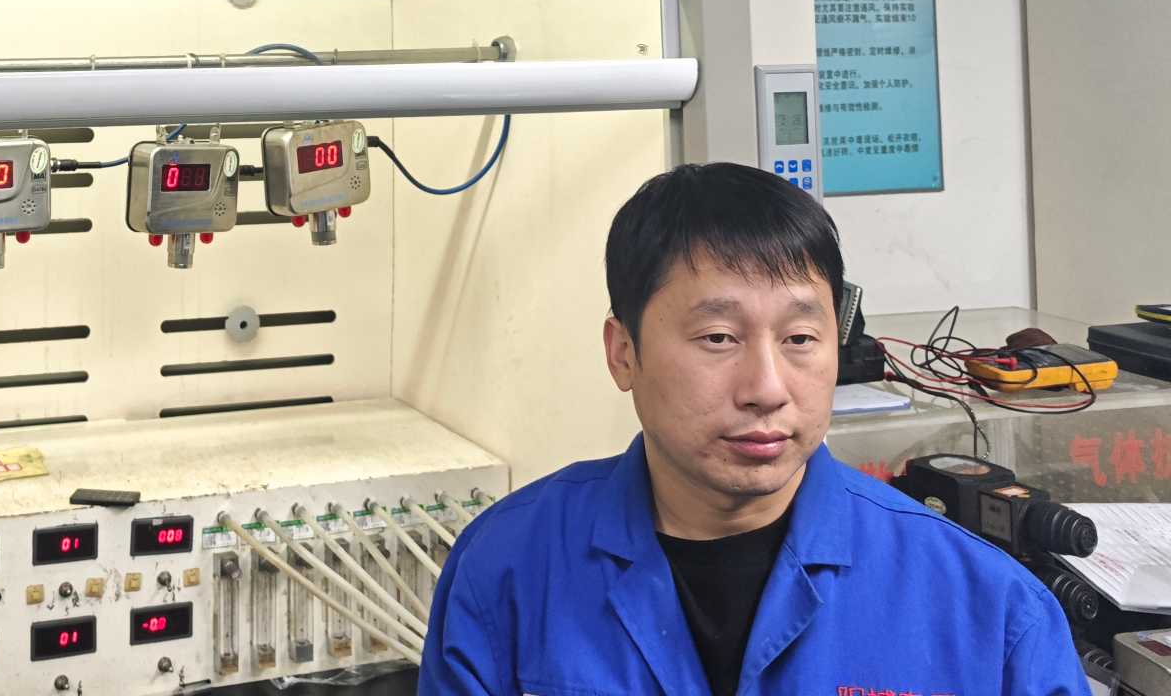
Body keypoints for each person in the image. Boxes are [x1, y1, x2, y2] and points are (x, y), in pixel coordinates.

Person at [420, 161, 1086, 696]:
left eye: (800, 338)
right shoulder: (508, 569)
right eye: (718, 337)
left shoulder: (988, 609)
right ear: (623, 353)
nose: (766, 388)